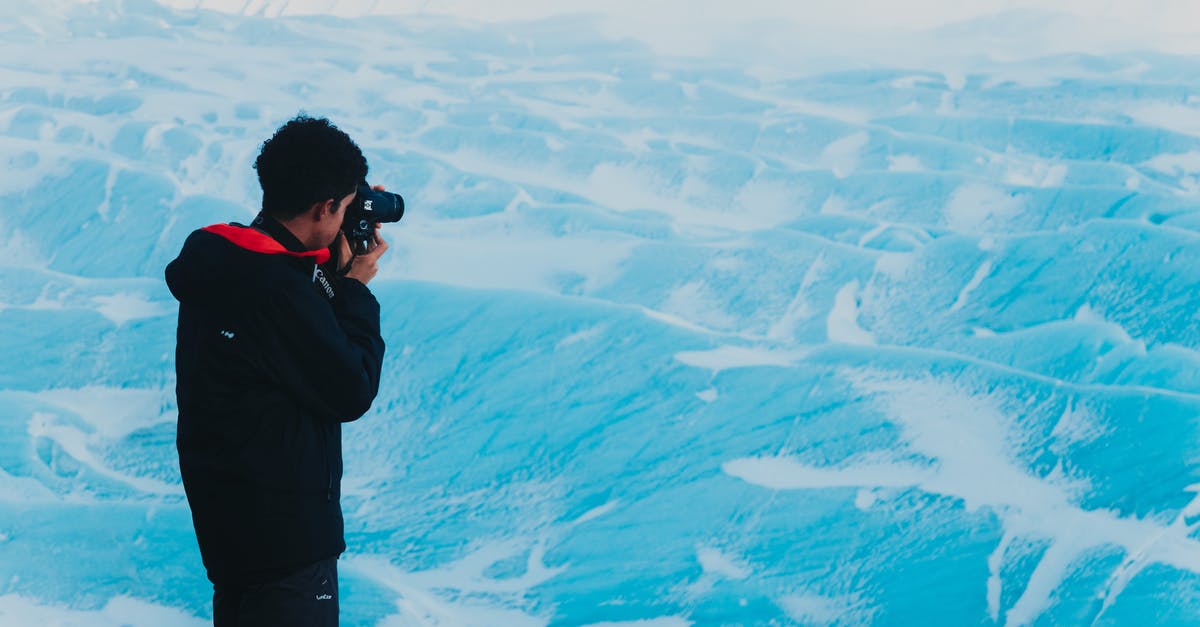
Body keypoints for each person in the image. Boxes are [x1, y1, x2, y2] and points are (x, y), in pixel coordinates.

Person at [165, 115, 389, 626]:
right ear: (324, 207)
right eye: (345, 207)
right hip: (287, 550)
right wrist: (353, 289)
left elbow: (286, 335)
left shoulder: (223, 261)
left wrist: (329, 273)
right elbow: (351, 388)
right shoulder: (281, 293)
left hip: (229, 534)